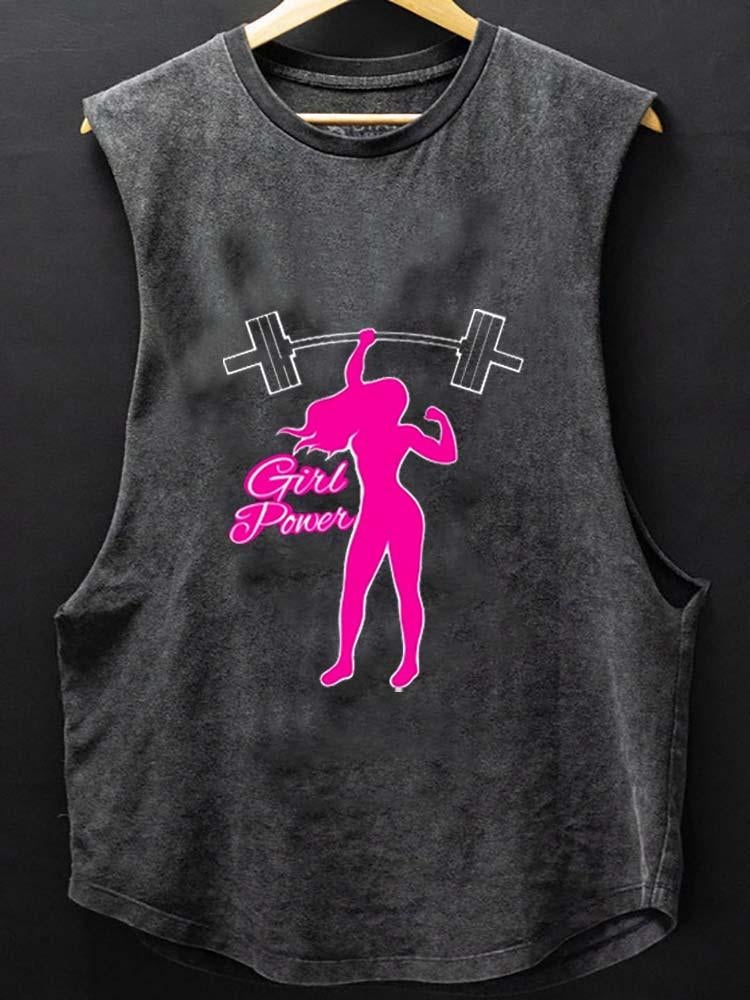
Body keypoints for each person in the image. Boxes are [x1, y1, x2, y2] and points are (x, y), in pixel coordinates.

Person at [279, 328, 458, 690]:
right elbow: (353, 382)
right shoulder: (360, 435)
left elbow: (447, 455)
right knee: (354, 589)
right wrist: (362, 346)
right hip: (373, 515)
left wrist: (442, 423)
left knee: (406, 589)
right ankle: (345, 660)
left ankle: (410, 662)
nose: (367, 400)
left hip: (403, 515)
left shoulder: (403, 433)